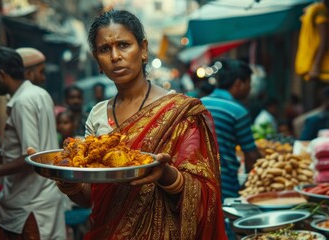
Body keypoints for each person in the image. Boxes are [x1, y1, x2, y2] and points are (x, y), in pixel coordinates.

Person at [45, 9, 227, 239]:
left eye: (123, 45)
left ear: (143, 49)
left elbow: (204, 194)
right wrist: (65, 179)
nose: (115, 56)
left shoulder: (180, 112)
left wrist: (164, 174)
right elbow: (91, 196)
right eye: (104, 49)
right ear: (97, 60)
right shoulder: (98, 114)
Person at [0, 47, 66, 239]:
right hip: (39, 199)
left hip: (30, 203)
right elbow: (20, 152)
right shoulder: (38, 94)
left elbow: (30, 157)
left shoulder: (23, 101)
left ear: (1, 75)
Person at [201, 59, 262, 200]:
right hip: (225, 185)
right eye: (249, 83)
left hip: (198, 183)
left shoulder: (199, 103)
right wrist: (247, 185)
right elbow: (251, 156)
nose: (250, 88)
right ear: (239, 84)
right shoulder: (238, 111)